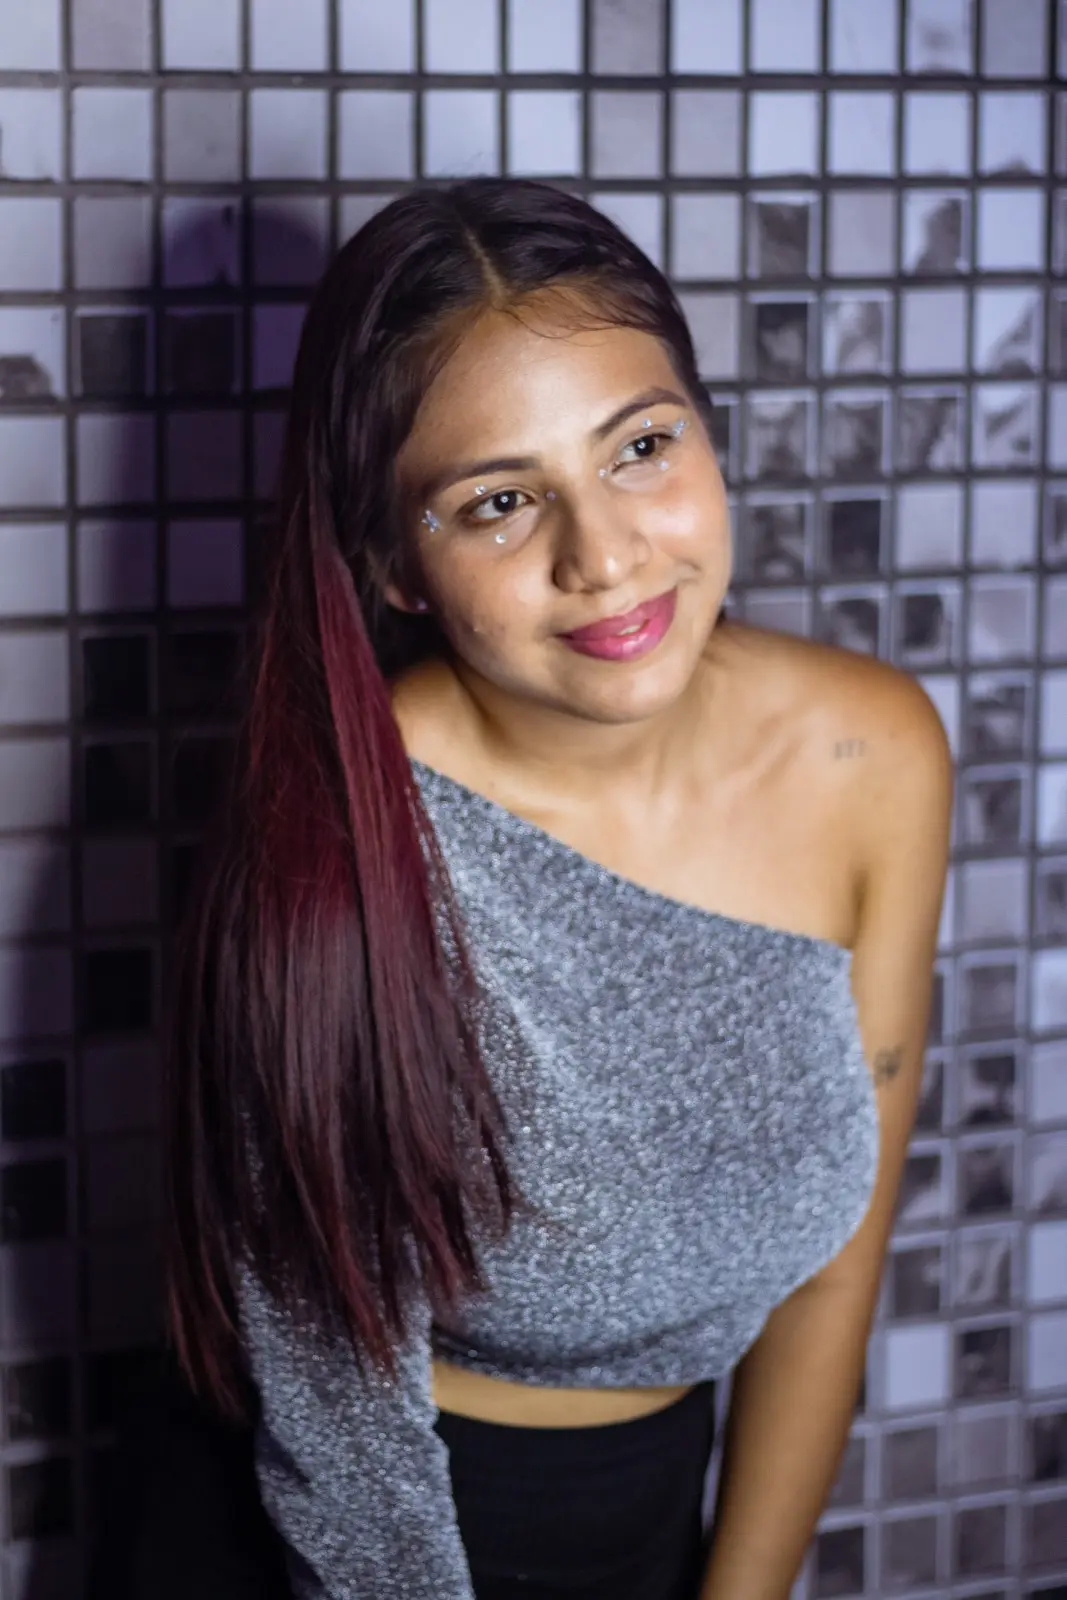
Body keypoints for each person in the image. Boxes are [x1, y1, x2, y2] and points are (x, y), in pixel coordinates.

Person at [161, 177, 954, 1600]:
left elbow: (837, 1264)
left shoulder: (870, 751)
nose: (604, 557)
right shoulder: (333, 832)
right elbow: (338, 1424)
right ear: (397, 566)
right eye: (501, 502)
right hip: (359, 1531)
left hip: (658, 1516)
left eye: (641, 446)